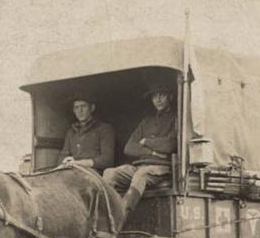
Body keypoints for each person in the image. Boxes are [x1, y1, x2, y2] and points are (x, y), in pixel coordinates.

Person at [104, 82, 177, 221]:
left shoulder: (176, 118)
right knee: (109, 173)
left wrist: (146, 141)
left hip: (162, 168)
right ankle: (104, 213)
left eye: (162, 95)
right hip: (140, 165)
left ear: (170, 97)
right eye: (155, 96)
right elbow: (129, 148)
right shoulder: (146, 121)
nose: (158, 99)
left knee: (141, 174)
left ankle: (122, 213)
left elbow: (170, 145)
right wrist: (154, 152)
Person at [60, 95, 115, 173]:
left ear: (92, 108)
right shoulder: (71, 132)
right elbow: (63, 155)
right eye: (76, 107)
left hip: (94, 174)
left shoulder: (104, 129)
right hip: (72, 172)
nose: (80, 110)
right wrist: (64, 161)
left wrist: (77, 162)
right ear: (74, 111)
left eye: (83, 106)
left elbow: (107, 160)